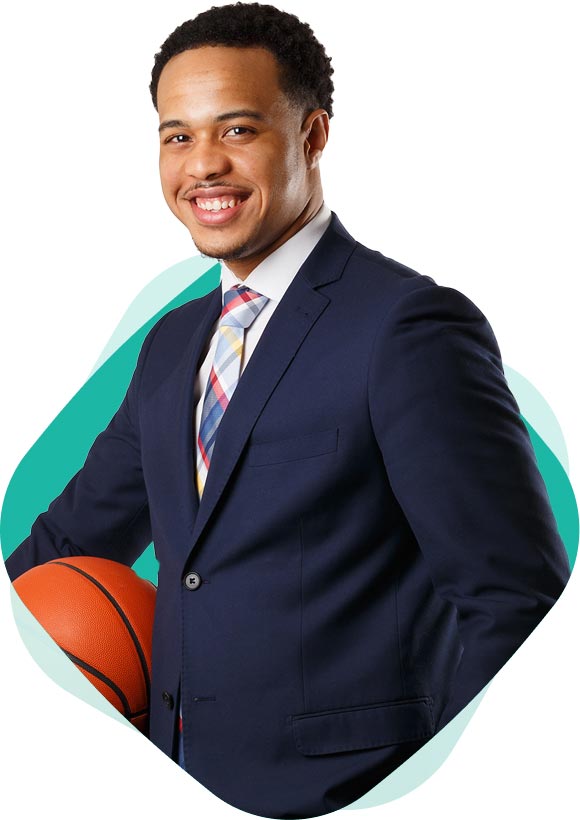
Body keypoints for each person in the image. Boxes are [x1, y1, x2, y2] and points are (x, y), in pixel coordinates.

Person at [4, 3, 570, 818]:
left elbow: (515, 604)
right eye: (177, 136)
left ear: (311, 135)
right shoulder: (171, 345)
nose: (203, 166)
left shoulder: (406, 328)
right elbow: (70, 542)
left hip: (348, 793)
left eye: (237, 131)